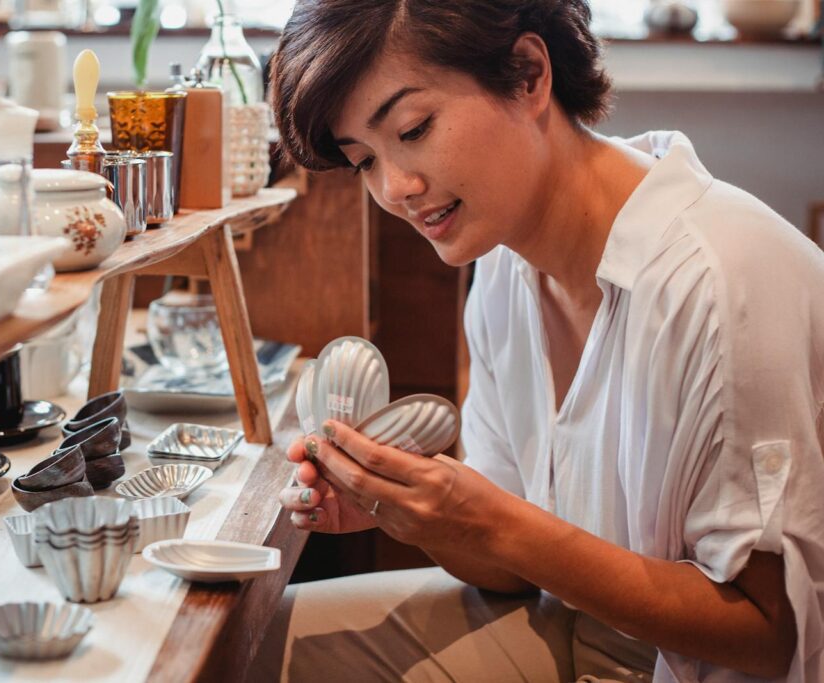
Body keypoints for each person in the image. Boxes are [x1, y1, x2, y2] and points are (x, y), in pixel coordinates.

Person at [251, 1, 824, 681]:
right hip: (577, 627)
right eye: (364, 160)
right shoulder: (500, 268)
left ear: (528, 75)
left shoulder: (721, 279)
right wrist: (416, 516)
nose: (396, 187)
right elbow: (516, 572)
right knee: (256, 644)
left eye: (414, 128)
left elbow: (768, 636)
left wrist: (494, 522)